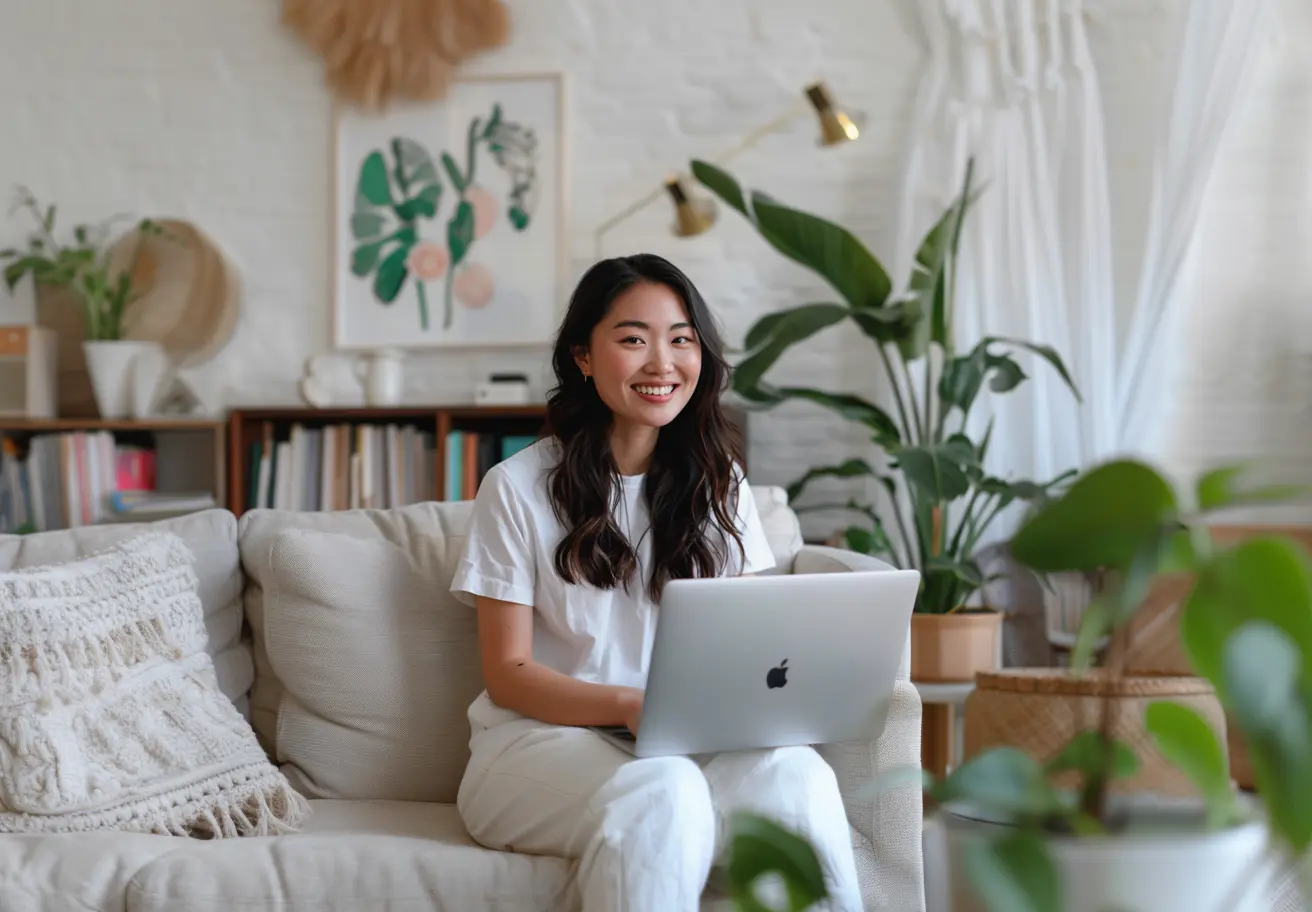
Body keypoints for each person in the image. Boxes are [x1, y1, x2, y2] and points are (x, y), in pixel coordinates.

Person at [450, 254, 863, 911]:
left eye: (682, 339)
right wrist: (627, 706)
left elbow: (752, 640)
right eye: (634, 339)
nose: (662, 363)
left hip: (682, 744)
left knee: (797, 775)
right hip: (537, 748)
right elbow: (509, 671)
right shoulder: (517, 488)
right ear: (583, 356)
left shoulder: (718, 482)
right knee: (664, 788)